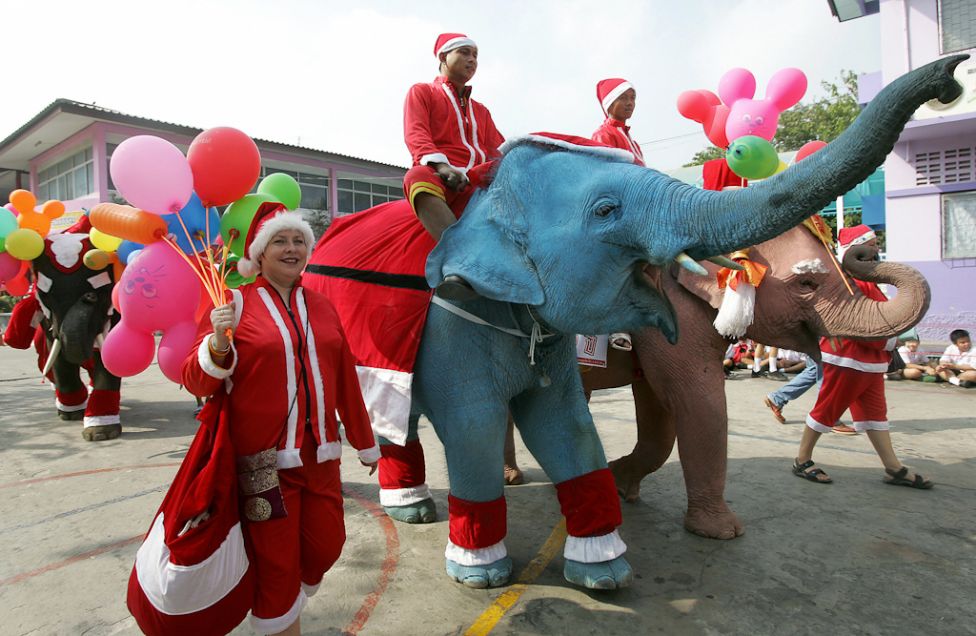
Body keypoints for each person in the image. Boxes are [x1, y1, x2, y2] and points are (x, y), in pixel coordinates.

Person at [181, 202, 380, 635]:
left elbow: (344, 375)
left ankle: (286, 600)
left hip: (322, 458)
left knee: (327, 545)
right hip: (263, 465)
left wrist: (365, 441)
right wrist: (217, 341)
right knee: (276, 562)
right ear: (258, 253)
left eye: (298, 241)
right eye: (279, 241)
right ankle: (280, 619)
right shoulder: (232, 304)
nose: (291, 249)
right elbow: (194, 377)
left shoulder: (323, 306)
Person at [792, 225, 932, 488]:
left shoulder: (870, 282)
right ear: (857, 249)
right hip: (848, 358)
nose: (877, 247)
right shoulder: (846, 283)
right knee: (827, 410)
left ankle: (894, 467)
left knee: (876, 414)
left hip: (872, 361)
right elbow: (858, 324)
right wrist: (893, 338)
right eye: (871, 242)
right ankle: (802, 459)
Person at [403, 32, 505, 300]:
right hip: (444, 177)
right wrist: (443, 167)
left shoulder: (481, 110)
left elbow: (498, 149)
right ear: (442, 57)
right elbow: (417, 136)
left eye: (475, 56)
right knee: (417, 176)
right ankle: (463, 262)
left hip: (480, 179)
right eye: (464, 53)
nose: (472, 60)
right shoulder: (422, 92)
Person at [592, 77, 644, 350]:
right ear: (608, 102)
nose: (630, 103)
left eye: (633, 97)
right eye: (624, 97)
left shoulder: (632, 140)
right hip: (617, 214)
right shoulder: (603, 135)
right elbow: (607, 180)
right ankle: (615, 325)